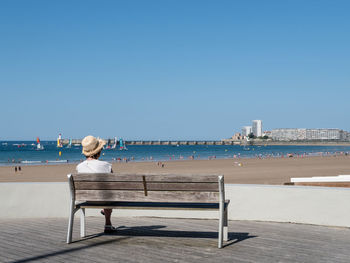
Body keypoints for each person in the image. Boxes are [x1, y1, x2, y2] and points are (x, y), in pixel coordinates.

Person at [76, 135, 116, 233]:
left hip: (87, 198)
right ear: (98, 151)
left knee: (105, 193)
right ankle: (107, 224)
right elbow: (113, 184)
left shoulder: (79, 167)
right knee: (108, 194)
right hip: (104, 200)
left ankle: (108, 223)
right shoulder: (106, 165)